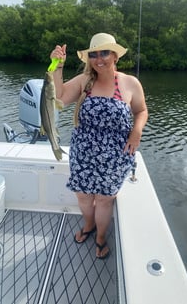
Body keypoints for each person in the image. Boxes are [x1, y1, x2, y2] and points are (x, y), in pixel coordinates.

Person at [50, 33, 148, 259]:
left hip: (116, 154)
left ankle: (101, 236)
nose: (98, 58)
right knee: (84, 196)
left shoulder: (129, 83)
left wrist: (136, 131)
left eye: (104, 52)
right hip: (83, 152)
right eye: (93, 54)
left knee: (104, 199)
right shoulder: (84, 81)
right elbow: (60, 98)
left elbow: (141, 111)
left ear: (115, 56)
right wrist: (58, 66)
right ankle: (88, 225)